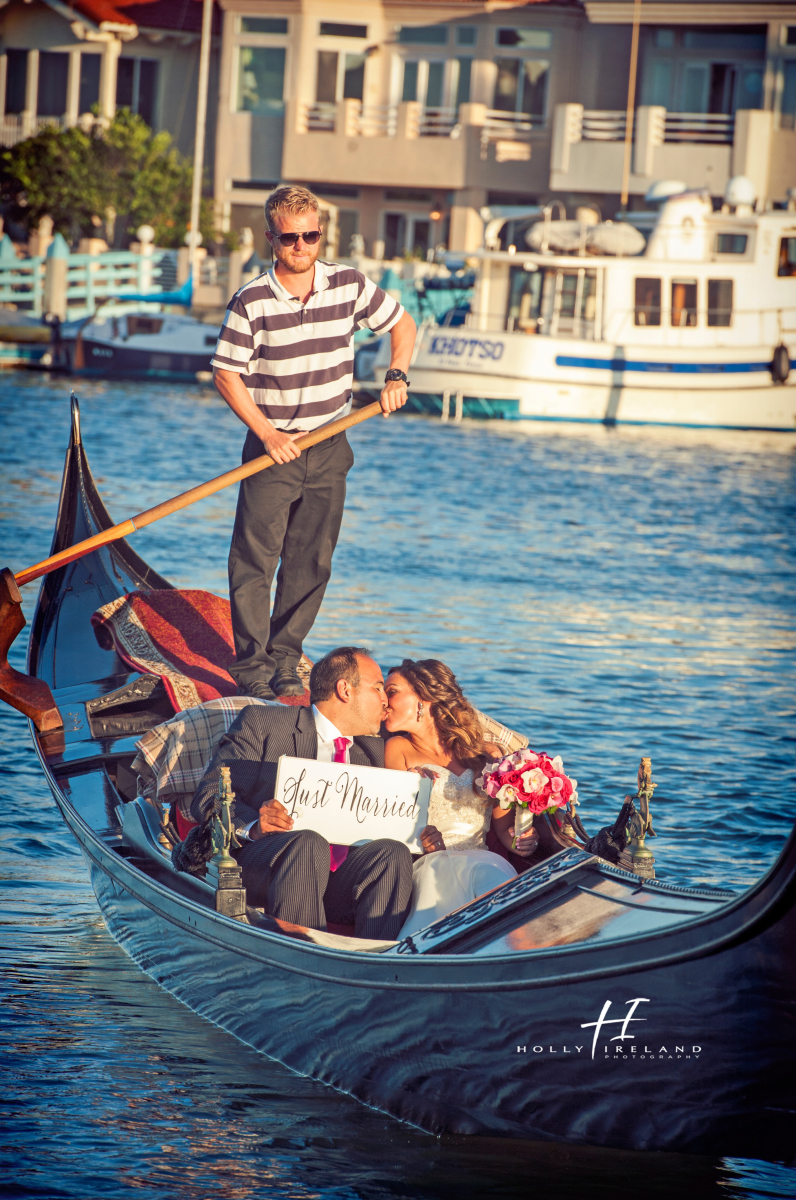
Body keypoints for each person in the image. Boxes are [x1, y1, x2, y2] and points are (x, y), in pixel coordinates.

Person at [211, 185, 417, 701]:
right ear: (271, 239)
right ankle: (252, 665)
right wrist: (266, 434)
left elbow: (403, 324)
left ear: (321, 234)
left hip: (330, 444)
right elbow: (226, 374)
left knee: (312, 559)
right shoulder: (251, 300)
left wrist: (397, 376)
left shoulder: (348, 285)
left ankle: (285, 660)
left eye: (310, 235)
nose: (301, 245)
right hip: (272, 447)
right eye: (289, 237)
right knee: (255, 560)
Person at [190, 647, 412, 941]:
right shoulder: (264, 723)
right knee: (308, 842)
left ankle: (378, 964)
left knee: (392, 852)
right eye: (377, 688)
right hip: (265, 866)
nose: (385, 700)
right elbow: (208, 798)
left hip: (337, 884)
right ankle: (307, 955)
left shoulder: (373, 751)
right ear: (345, 690)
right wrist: (256, 825)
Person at [383, 659, 537, 938]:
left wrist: (522, 840)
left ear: (423, 698)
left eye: (391, 691)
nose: (384, 700)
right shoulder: (398, 749)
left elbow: (504, 832)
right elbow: (393, 821)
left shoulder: (488, 753)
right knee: (438, 879)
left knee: (491, 881)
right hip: (431, 861)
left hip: (483, 858)